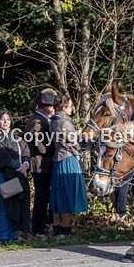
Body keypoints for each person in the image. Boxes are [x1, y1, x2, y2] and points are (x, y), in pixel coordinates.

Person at [49, 94, 88, 236]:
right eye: (71, 106)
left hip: (58, 159)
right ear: (64, 107)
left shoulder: (53, 120)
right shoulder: (64, 122)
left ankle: (56, 226)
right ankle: (65, 229)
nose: (72, 108)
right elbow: (74, 143)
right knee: (68, 193)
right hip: (67, 159)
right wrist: (83, 146)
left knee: (58, 193)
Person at [0, 111, 30, 242]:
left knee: (14, 206)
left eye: (8, 119)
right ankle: (3, 236)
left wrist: (25, 163)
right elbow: (2, 156)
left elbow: (25, 151)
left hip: (18, 175)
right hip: (4, 175)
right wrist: (18, 166)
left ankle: (12, 235)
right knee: (5, 206)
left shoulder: (16, 136)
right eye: (2, 119)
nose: (5, 121)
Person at [24, 88, 56, 237]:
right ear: (46, 107)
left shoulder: (41, 118)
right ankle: (38, 228)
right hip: (41, 164)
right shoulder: (37, 121)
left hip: (44, 164)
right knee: (41, 198)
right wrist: (54, 146)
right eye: (51, 106)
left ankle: (42, 225)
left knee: (44, 196)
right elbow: (40, 146)